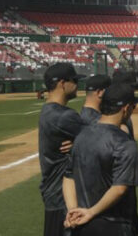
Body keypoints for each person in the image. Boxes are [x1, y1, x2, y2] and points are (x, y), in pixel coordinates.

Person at [62, 83, 138, 235]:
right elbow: (120, 188)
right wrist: (91, 212)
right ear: (125, 108)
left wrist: (73, 210)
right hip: (114, 224)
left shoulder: (81, 136)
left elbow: (68, 176)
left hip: (81, 225)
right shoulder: (125, 143)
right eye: (133, 107)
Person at [38, 62, 87, 236]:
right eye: (74, 80)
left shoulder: (48, 111)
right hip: (64, 197)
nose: (77, 85)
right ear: (62, 83)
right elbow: (99, 138)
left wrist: (77, 144)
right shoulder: (64, 116)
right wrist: (81, 144)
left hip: (54, 194)